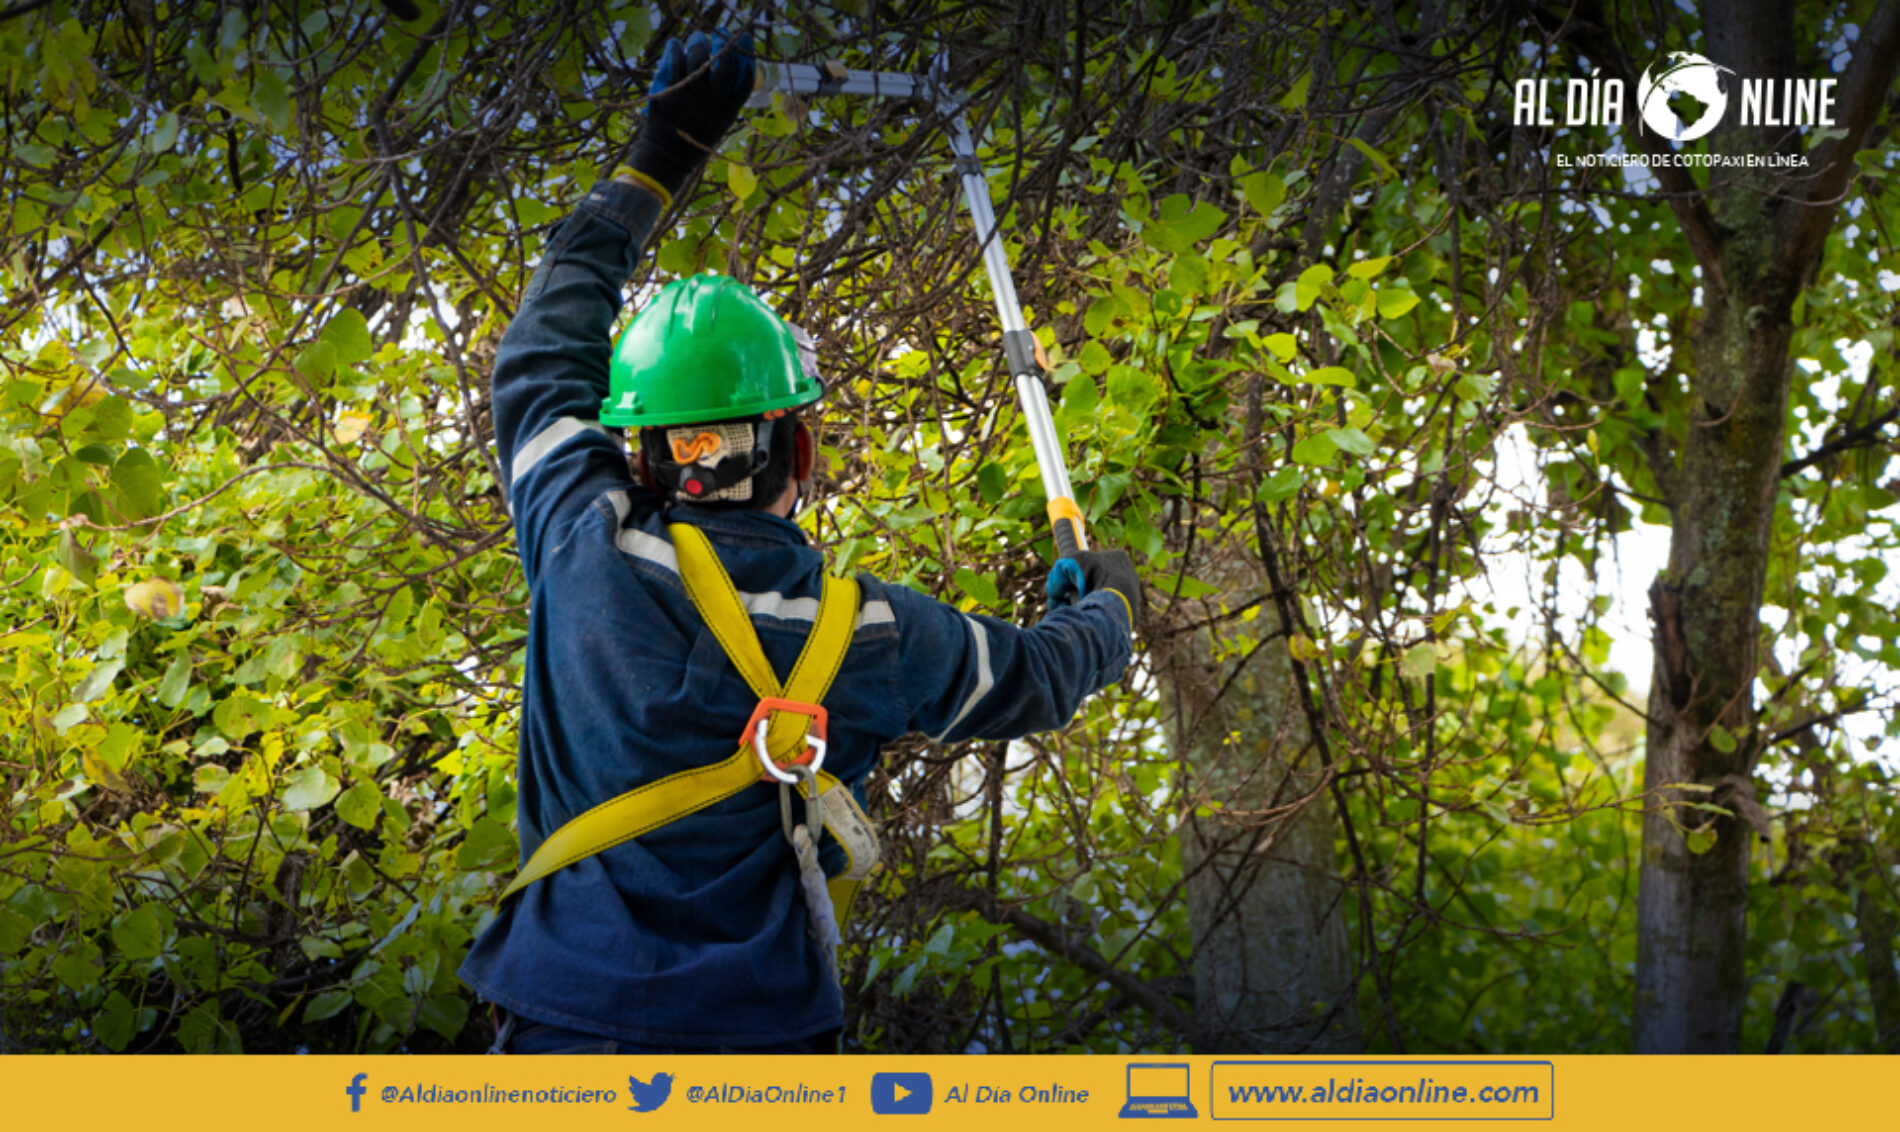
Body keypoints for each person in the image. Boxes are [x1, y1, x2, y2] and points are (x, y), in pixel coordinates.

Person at [458, 28, 1141, 1055]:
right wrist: (1108, 607)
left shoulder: (579, 537)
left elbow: (542, 351)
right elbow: (1041, 675)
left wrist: (662, 155)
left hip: (563, 1031)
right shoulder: (871, 635)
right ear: (804, 447)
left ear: (635, 455)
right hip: (764, 1057)